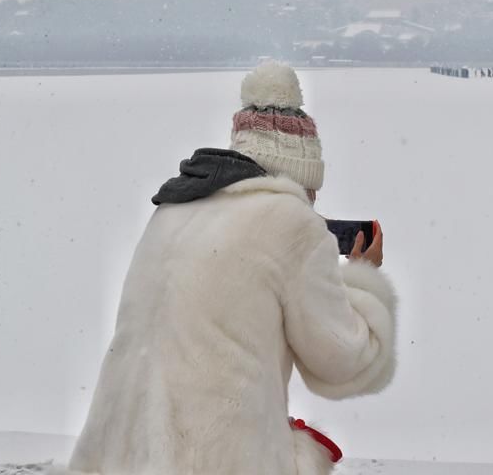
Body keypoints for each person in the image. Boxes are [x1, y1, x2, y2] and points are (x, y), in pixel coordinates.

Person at [66, 62, 397, 475]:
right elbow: (346, 359)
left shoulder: (172, 211)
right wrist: (364, 279)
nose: (311, 199)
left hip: (123, 457)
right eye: (310, 186)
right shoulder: (290, 224)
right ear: (293, 174)